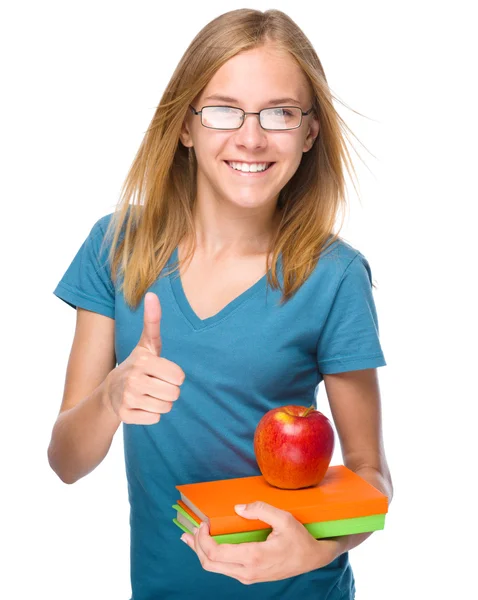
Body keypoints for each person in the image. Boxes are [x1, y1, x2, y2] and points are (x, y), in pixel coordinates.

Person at [48, 8, 393, 600]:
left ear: (309, 133)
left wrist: (316, 548)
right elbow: (65, 461)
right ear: (186, 125)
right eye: (223, 109)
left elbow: (371, 475)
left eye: (280, 113)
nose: (251, 137)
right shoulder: (116, 247)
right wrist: (111, 395)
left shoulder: (333, 276)